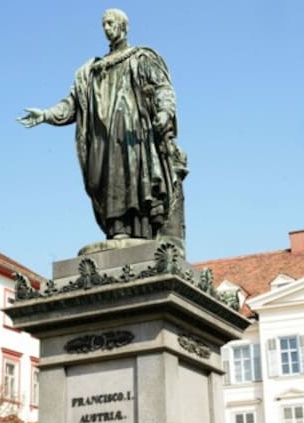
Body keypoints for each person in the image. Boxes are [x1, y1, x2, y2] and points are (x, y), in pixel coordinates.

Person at [17, 8, 187, 250]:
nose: (107, 28)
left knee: (136, 176)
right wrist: (45, 115)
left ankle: (140, 229)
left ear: (123, 26)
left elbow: (163, 88)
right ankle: (117, 228)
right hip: (104, 140)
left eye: (111, 23)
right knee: (112, 179)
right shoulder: (91, 71)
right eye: (104, 25)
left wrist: (164, 112)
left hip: (133, 133)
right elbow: (72, 105)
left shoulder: (140, 58)